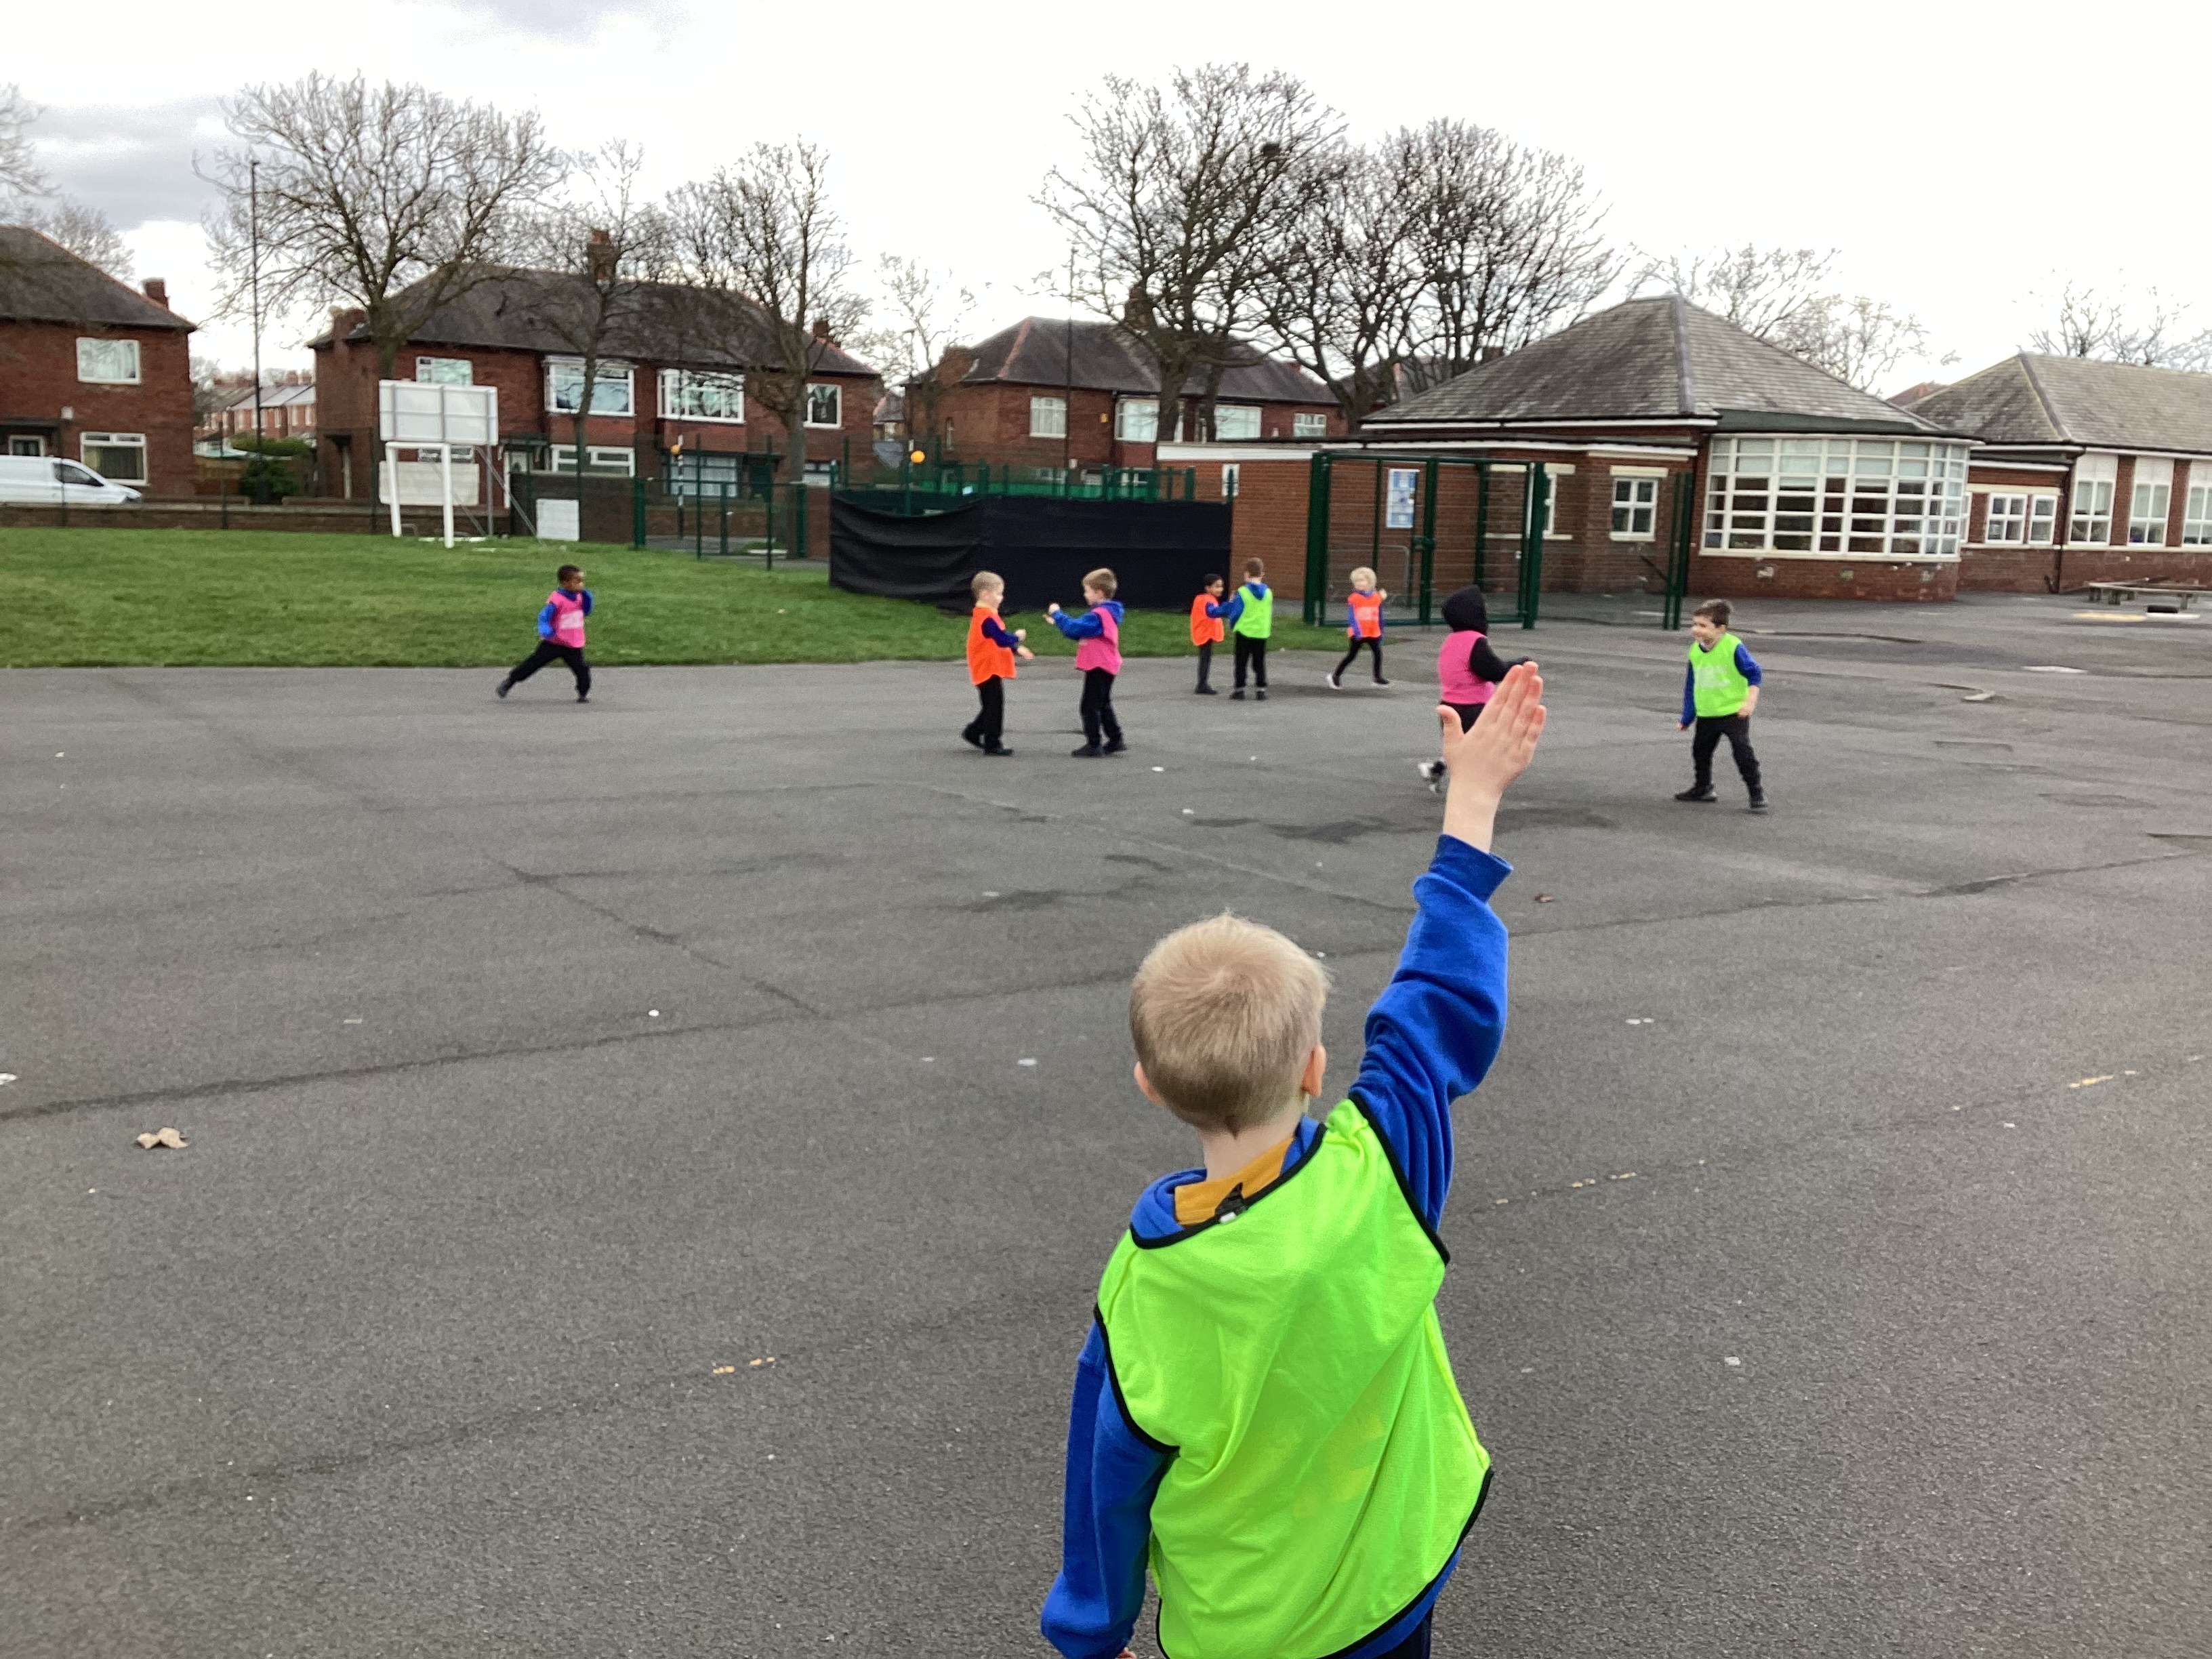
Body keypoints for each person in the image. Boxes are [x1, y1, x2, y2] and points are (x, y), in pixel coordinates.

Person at [1041, 665, 1549, 1659]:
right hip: (1389, 1582)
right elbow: (1438, 1002)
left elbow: (1108, 1484)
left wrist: (1090, 1635)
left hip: (1248, 1627)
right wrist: (1472, 801)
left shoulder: (1145, 1287)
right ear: (1317, 1068)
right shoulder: (1382, 1168)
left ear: (1150, 1084)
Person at [1416, 586, 1526, 792]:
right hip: (1473, 707)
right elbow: (1493, 670)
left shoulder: (1451, 640)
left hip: (1450, 704)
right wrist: (1519, 664)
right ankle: (1473, 790)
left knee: (1460, 747)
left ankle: (1436, 769)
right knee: (1480, 749)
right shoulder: (1475, 641)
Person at [1676, 598, 1767, 812]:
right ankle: (1703, 788)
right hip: (1707, 713)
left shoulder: (1733, 646)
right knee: (1701, 752)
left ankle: (1756, 793)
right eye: (1694, 624)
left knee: (1742, 751)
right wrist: (1687, 717)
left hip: (1733, 712)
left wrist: (1749, 703)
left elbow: (1754, 674)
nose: (1696, 629)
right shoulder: (1695, 651)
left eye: (1703, 625)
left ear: (1721, 629)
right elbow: (1691, 686)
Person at [1047, 568, 1126, 758]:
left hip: (1099, 665)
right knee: (1102, 703)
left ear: (1099, 593)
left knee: (1089, 706)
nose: (1085, 594)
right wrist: (1059, 623)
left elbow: (1074, 629)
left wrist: (1058, 614)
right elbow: (1082, 632)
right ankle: (1115, 739)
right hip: (1106, 664)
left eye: (1087, 591)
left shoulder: (1098, 615)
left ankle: (1094, 744)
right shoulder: (1106, 613)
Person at [961, 569, 1034, 757]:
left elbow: (996, 640)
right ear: (985, 594)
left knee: (991, 704)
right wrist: (1016, 638)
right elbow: (1001, 639)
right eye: (998, 594)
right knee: (994, 706)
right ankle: (992, 742)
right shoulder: (985, 618)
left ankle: (974, 732)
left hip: (988, 667)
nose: (1001, 598)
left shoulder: (987, 615)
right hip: (986, 668)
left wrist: (1016, 649)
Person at [497, 564, 592, 703]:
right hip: (554, 642)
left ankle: (583, 693)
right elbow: (544, 616)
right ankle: (510, 681)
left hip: (573, 644)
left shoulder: (580, 597)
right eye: (577, 581)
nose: (580, 584)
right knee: (533, 663)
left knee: (582, 670)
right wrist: (546, 630)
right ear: (565, 583)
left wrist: (587, 597)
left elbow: (587, 611)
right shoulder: (557, 599)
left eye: (581, 581)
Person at [1218, 558, 1272, 700]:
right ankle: (1261, 689)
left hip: (1244, 631)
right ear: (1262, 574)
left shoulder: (1242, 592)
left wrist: (1232, 623)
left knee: (1241, 661)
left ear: (1247, 574)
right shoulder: (1268, 592)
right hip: (1261, 631)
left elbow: (1236, 612)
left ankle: (1239, 689)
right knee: (1259, 661)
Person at [1329, 565, 1391, 688]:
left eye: (1362, 580)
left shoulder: (1376, 597)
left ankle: (1377, 677)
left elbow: (1379, 615)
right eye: (1357, 581)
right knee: (1352, 655)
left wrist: (1381, 630)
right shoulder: (1354, 598)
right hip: (1358, 633)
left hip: (1373, 632)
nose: (1359, 583)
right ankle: (1335, 676)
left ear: (1370, 582)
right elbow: (1351, 616)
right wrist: (1356, 630)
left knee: (1378, 654)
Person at [1189, 574, 1229, 695]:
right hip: (1205, 634)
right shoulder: (1207, 600)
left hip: (1204, 633)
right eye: (1217, 586)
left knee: (1205, 658)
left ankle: (1202, 683)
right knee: (1205, 659)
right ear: (1208, 588)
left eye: (1221, 586)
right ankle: (1202, 684)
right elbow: (1212, 612)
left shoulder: (1204, 599)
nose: (1220, 589)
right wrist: (1227, 608)